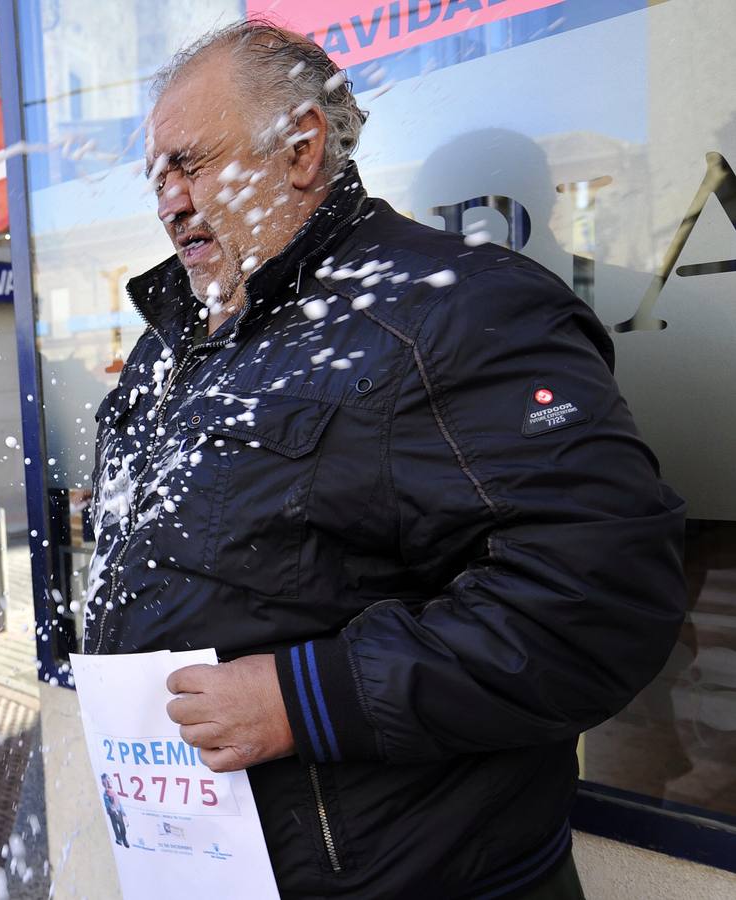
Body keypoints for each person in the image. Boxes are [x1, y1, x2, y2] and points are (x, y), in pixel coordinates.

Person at [86, 22, 687, 899]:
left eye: (189, 164)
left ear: (299, 148)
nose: (167, 201)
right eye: (157, 176)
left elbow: (599, 598)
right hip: (213, 866)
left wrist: (305, 698)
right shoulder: (175, 340)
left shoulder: (450, 310)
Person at [101, 774, 129, 848]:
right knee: (115, 826)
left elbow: (119, 803)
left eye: (109, 779)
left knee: (122, 827)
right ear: (104, 783)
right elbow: (108, 804)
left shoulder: (114, 792)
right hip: (113, 813)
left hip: (118, 811)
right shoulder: (106, 794)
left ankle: (124, 839)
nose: (109, 781)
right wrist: (113, 809)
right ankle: (119, 839)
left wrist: (123, 813)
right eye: (107, 780)